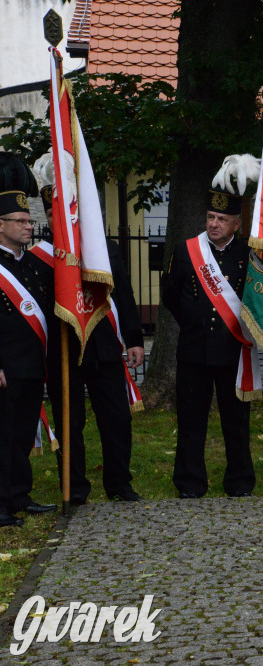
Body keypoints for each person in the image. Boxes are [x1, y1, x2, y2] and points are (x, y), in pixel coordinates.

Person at [32, 152, 145, 504]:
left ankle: (119, 484)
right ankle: (75, 487)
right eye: (51, 213)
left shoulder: (101, 249)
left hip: (104, 348)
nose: (57, 218)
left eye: (62, 211)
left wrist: (135, 340)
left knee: (116, 420)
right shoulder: (39, 257)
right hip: (63, 351)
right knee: (70, 422)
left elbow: (123, 295)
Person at [162, 155, 260, 498]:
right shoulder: (186, 251)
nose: (214, 224)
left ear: (237, 223)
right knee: (190, 421)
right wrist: (194, 322)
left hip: (234, 351)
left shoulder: (249, 255)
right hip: (193, 350)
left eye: (222, 219)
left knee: (236, 422)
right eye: (210, 217)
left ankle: (239, 482)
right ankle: (190, 483)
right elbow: (170, 294)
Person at [0, 152, 56, 526]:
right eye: (20, 221)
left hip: (33, 365)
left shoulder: (32, 265)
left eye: (29, 220)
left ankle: (19, 496)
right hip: (5, 368)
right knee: (2, 437)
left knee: (21, 434)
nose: (28, 226)